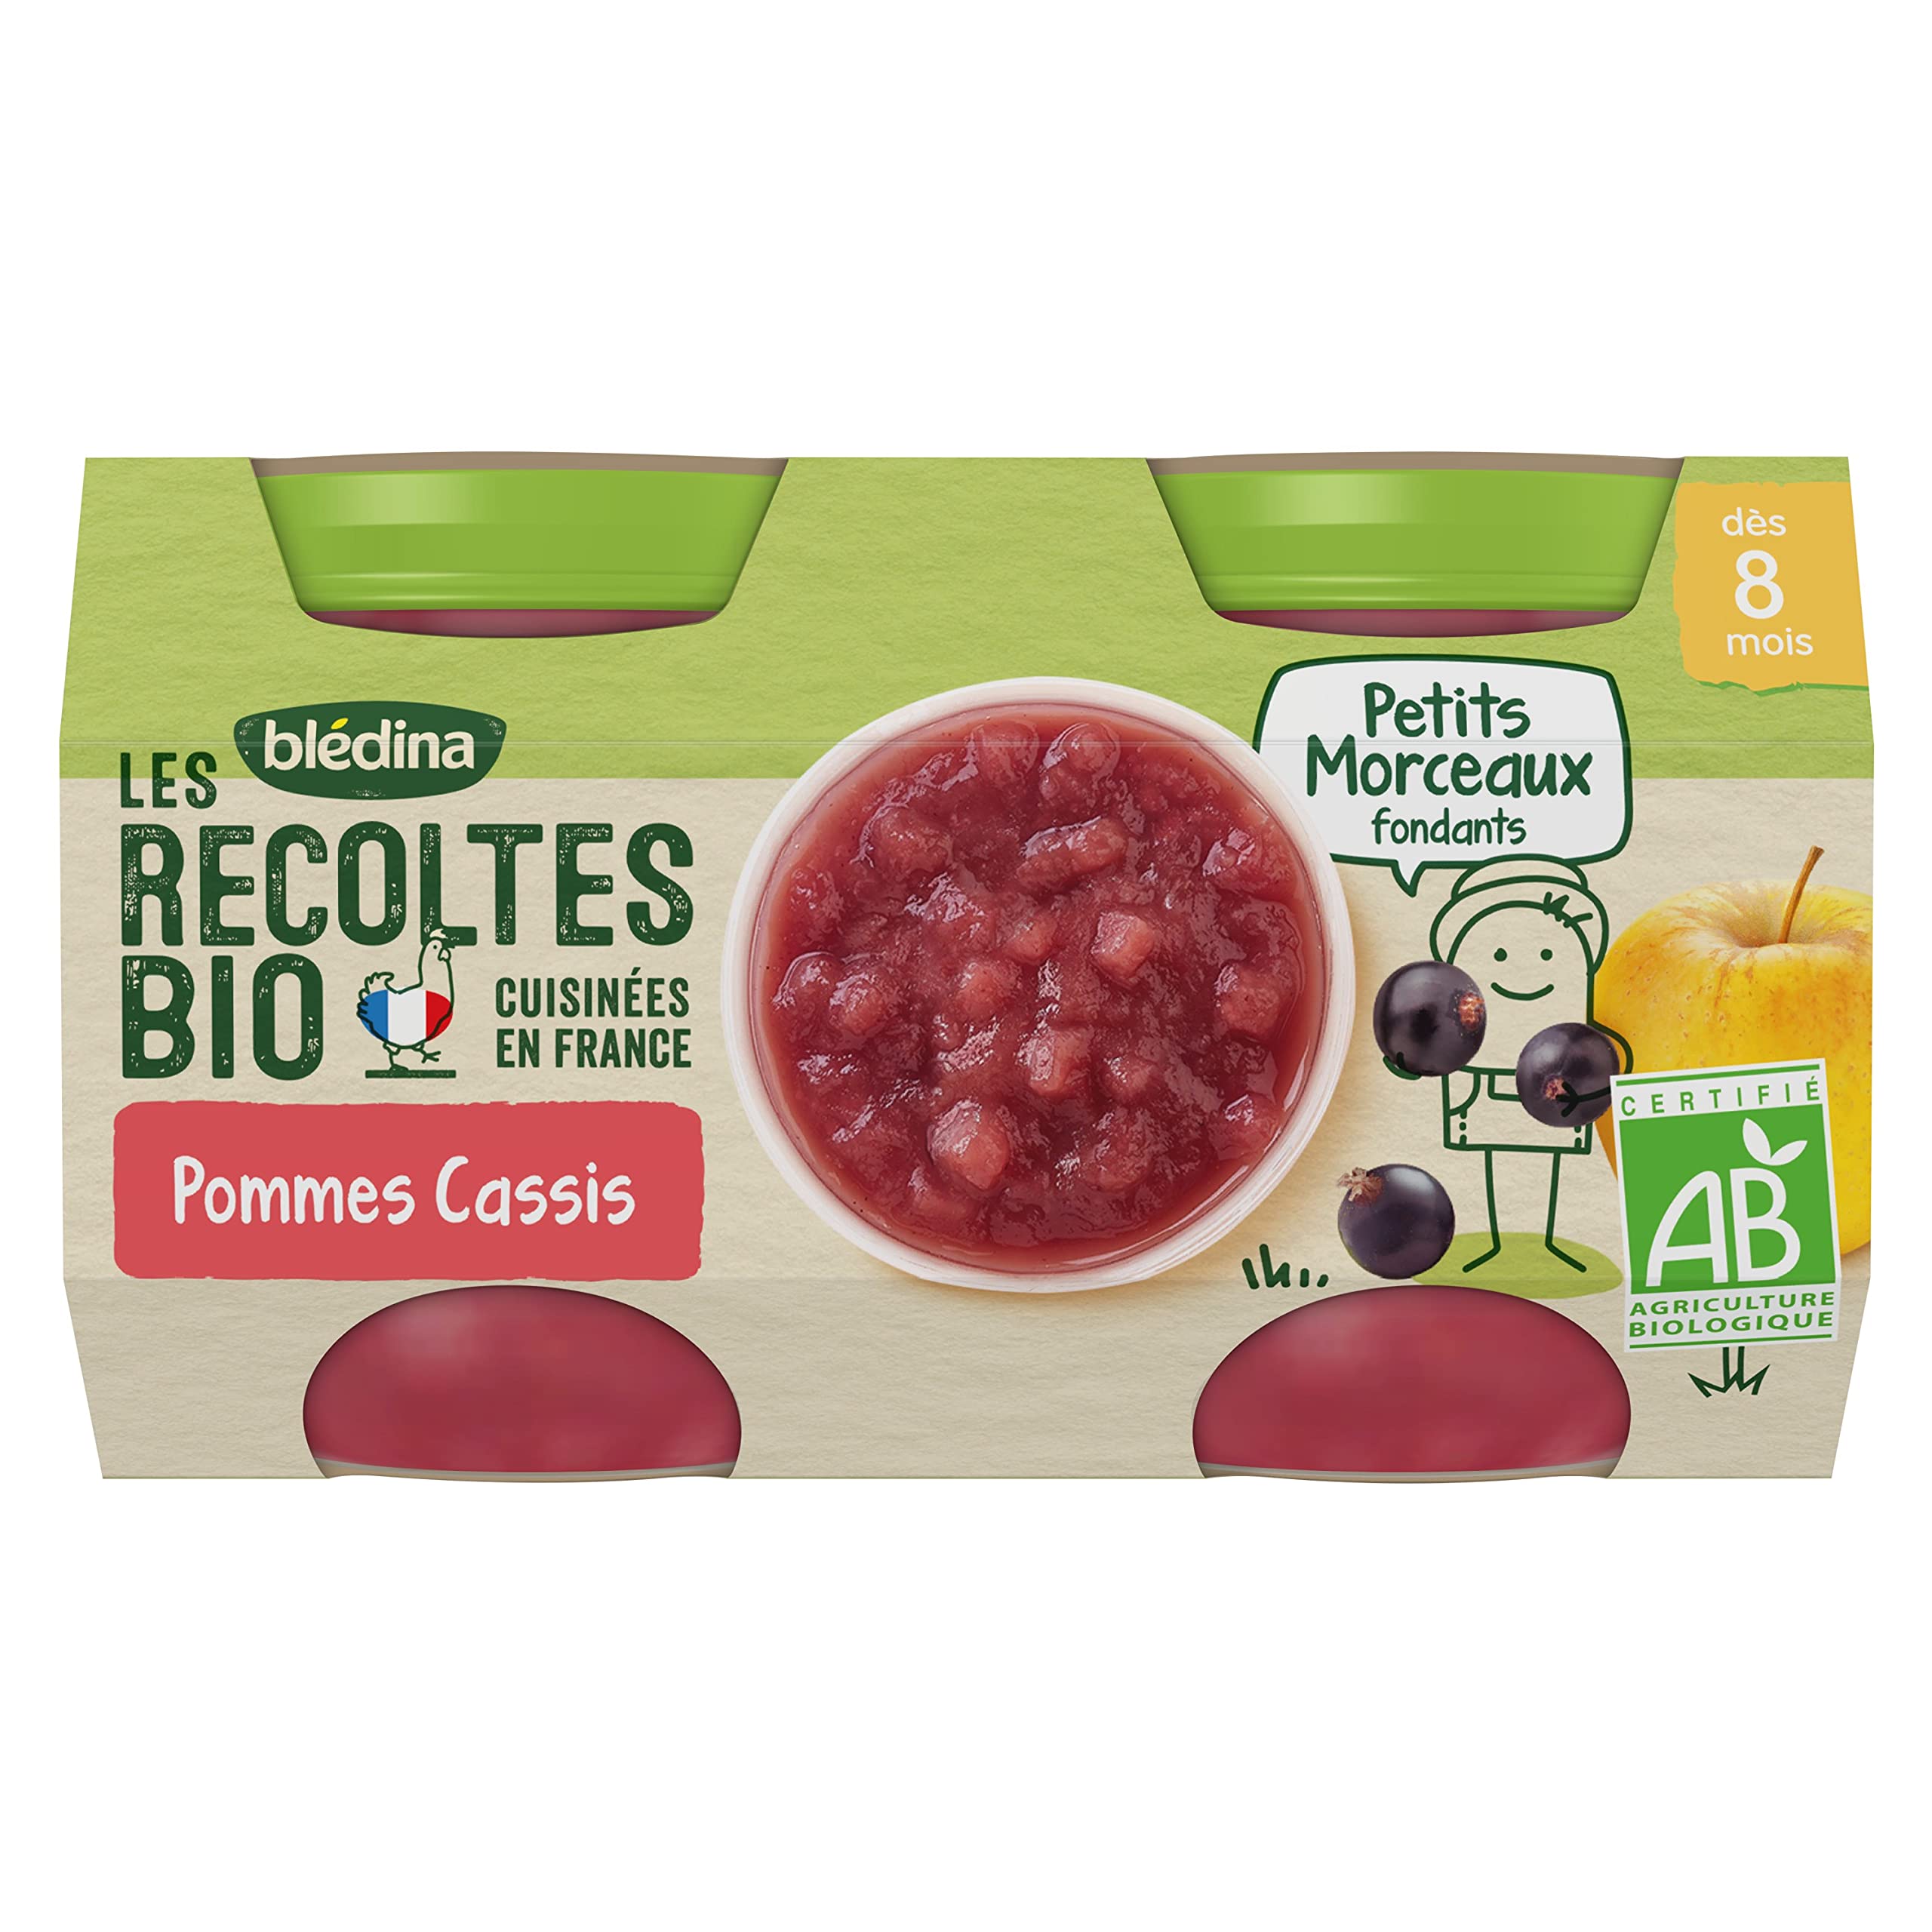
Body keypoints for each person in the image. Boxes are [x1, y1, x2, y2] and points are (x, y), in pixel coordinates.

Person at [1390, 857, 1625, 1275]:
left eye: (1547, 953)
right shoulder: (1462, 1027)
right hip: (1491, 1097)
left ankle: (1546, 1241)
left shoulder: (1573, 1032)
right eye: (1498, 954)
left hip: (1563, 1096)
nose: (1525, 969)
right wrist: (1406, 1062)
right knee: (1499, 1168)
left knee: (1546, 1169)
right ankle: (1500, 1243)